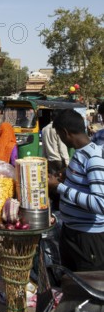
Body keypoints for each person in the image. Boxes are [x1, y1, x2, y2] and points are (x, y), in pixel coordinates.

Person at [48, 109, 104, 272]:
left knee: (88, 290)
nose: (60, 139)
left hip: (87, 239)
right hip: (72, 232)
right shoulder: (80, 154)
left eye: (59, 135)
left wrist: (59, 187)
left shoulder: (93, 158)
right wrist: (66, 177)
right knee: (71, 286)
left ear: (65, 133)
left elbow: (100, 204)